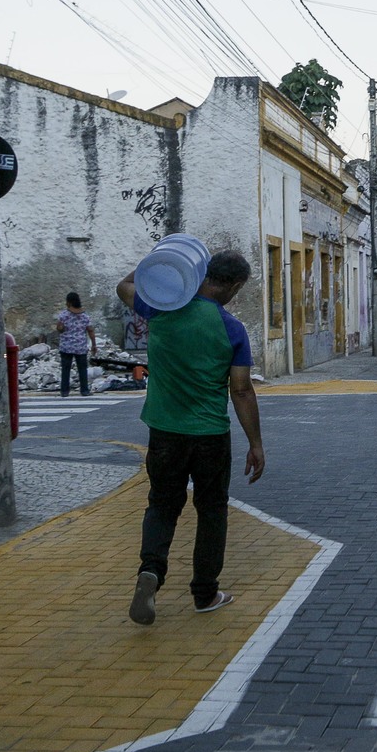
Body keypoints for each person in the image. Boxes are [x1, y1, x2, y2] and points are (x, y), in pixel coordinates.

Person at [116, 249, 265, 625]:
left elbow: (125, 285)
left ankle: (150, 572)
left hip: (164, 431)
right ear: (232, 285)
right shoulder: (231, 328)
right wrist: (256, 444)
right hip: (209, 434)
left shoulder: (161, 309)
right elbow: (242, 390)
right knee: (211, 512)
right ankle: (205, 593)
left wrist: (160, 259)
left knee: (162, 506)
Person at [55, 292, 96, 398]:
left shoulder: (63, 315)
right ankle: (84, 390)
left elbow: (60, 329)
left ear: (68, 302)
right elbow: (90, 331)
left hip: (66, 347)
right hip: (80, 347)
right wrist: (94, 345)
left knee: (65, 369)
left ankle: (64, 391)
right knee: (82, 369)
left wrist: (60, 327)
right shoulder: (85, 316)